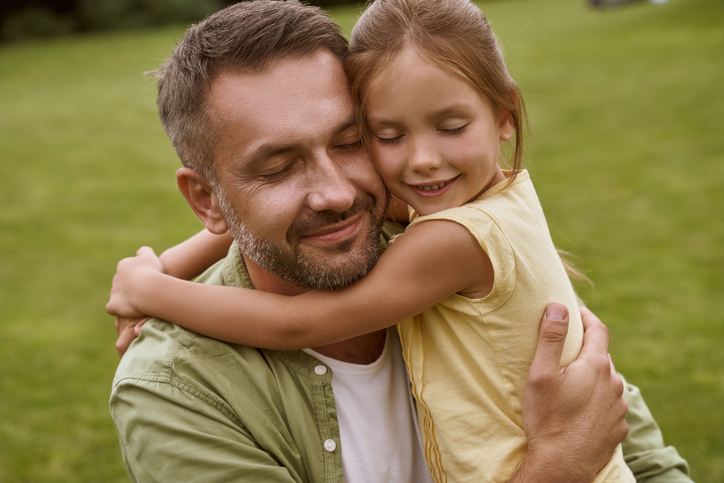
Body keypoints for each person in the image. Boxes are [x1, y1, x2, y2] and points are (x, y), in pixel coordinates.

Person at [108, 1, 692, 482]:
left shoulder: (437, 238)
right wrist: (556, 468)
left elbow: (651, 466)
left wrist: (152, 286)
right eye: (279, 168)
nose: (337, 194)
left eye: (351, 141)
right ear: (208, 201)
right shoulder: (177, 391)